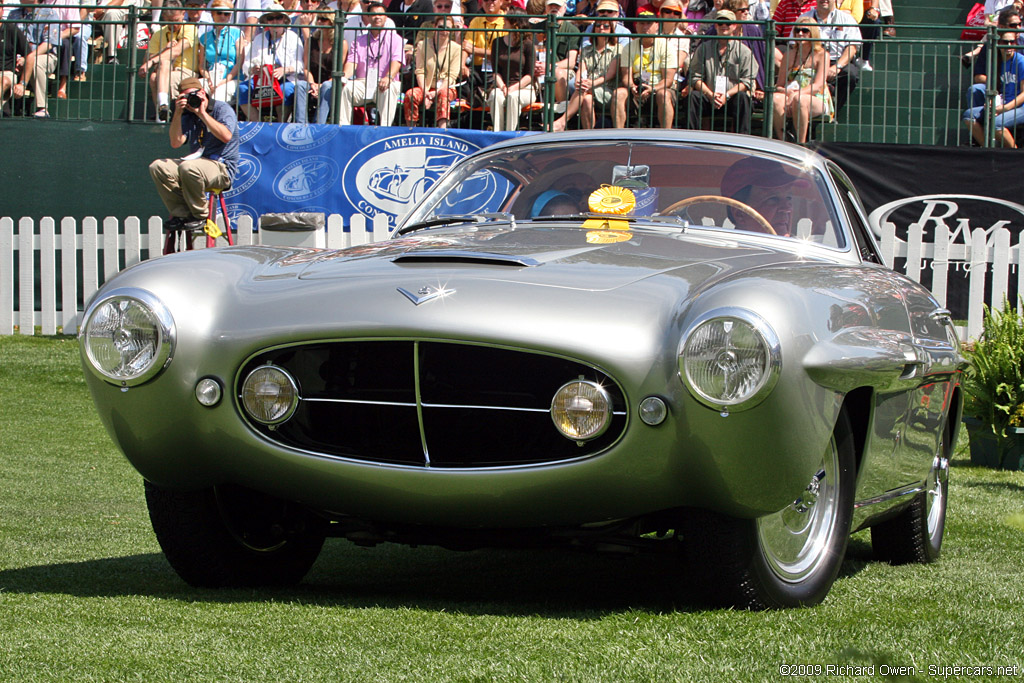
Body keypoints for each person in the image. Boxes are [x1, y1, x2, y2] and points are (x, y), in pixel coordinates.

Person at [149, 77, 239, 232]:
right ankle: (182, 214)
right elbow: (176, 143)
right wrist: (177, 113)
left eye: (192, 95)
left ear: (203, 93)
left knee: (188, 168)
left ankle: (201, 216)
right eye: (185, 97)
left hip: (221, 167)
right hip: (195, 163)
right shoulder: (187, 114)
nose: (191, 100)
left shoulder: (221, 109)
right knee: (158, 166)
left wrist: (202, 113)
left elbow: (226, 136)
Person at [686, 9, 757, 134]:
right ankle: (691, 138)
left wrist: (727, 95)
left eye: (728, 24)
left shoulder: (744, 51)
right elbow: (695, 77)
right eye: (720, 24)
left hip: (732, 98)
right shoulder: (704, 48)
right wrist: (710, 94)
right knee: (694, 97)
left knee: (743, 98)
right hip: (709, 96)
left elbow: (748, 81)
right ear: (715, 26)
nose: (724, 26)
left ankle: (743, 139)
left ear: (734, 26)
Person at [964, 8, 1024, 147]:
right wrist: (993, 96)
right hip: (998, 92)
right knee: (974, 93)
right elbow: (979, 76)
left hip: (1017, 100)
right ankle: (986, 147)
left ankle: (1015, 154)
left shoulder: (1020, 58)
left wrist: (1003, 107)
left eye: (1019, 24)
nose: (1018, 28)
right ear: (1001, 27)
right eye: (1013, 25)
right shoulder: (992, 46)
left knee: (997, 123)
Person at [338, 1, 404, 126]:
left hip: (385, 82)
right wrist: (345, 77)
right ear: (368, 17)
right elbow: (352, 62)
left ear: (386, 17)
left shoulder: (395, 39)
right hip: (362, 81)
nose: (377, 17)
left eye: (380, 14)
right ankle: (343, 128)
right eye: (373, 15)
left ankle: (385, 130)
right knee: (344, 88)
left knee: (389, 90)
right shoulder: (358, 41)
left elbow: (397, 61)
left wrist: (388, 77)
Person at [238, 3, 305, 121]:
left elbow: (300, 64)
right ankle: (258, 124)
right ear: (267, 21)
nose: (275, 21)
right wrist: (252, 69)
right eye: (270, 18)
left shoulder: (293, 37)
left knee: (285, 91)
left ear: (284, 20)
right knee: (242, 89)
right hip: (261, 80)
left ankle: (280, 126)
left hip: (285, 79)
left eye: (278, 17)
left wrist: (285, 70)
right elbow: (246, 64)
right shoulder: (259, 39)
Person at [772, 16, 832, 142]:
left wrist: (795, 96)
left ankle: (801, 143)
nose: (800, 33)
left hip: (816, 97)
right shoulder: (788, 55)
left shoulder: (822, 55)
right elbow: (779, 85)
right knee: (776, 99)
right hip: (790, 95)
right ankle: (783, 140)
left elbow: (818, 86)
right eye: (797, 30)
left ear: (813, 32)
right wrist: (787, 93)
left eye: (805, 31)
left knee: (800, 100)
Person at [138, 0, 199, 122]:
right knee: (158, 70)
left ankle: (161, 113)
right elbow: (146, 58)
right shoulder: (159, 34)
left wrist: (151, 62)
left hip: (186, 72)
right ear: (164, 18)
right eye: (169, 21)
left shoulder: (190, 28)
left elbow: (176, 51)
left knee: (156, 76)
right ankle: (163, 108)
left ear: (183, 14)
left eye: (176, 21)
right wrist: (164, 50)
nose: (173, 25)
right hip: (165, 72)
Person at [617, 5, 677, 128]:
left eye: (648, 24)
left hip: (659, 88)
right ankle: (618, 135)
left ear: (656, 25)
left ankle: (665, 135)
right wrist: (632, 87)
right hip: (636, 89)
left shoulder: (666, 46)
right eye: (641, 23)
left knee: (664, 95)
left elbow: (668, 80)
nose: (645, 27)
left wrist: (652, 88)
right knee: (619, 93)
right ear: (636, 26)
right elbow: (626, 76)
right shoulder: (629, 47)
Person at [720, 156, 809, 236]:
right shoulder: (717, 253)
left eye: (788, 198)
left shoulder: (802, 252)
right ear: (740, 214)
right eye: (773, 199)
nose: (786, 209)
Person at [799, 0, 861, 113]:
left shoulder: (847, 19)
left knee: (850, 74)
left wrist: (837, 66)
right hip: (811, 61)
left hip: (835, 61)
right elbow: (795, 44)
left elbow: (852, 47)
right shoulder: (804, 18)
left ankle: (833, 112)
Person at [404, 15, 464, 127]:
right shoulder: (422, 45)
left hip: (446, 87)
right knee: (410, 95)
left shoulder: (456, 49)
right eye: (441, 27)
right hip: (425, 87)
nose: (444, 31)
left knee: (443, 94)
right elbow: (420, 71)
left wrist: (435, 93)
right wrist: (426, 92)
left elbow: (451, 76)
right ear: (434, 26)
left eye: (448, 28)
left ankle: (442, 131)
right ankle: (410, 129)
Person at [9, 0, 61, 117]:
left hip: (45, 56)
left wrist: (29, 57)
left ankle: (42, 107)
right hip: (18, 56)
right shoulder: (13, 14)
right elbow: (9, 39)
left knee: (36, 63)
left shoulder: (50, 13)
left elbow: (49, 43)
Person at [487, 8, 535, 132]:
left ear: (515, 22)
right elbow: (495, 72)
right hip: (503, 86)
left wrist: (513, 88)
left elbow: (530, 75)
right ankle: (498, 134)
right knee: (495, 95)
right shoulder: (497, 43)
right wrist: (503, 87)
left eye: (507, 18)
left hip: (525, 88)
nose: (503, 20)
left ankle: (510, 134)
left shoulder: (528, 44)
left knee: (513, 97)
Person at [294, 4, 340, 124]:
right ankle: (301, 124)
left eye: (324, 19)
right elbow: (306, 67)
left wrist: (322, 85)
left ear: (331, 22)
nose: (319, 21)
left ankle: (319, 124)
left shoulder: (340, 43)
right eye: (318, 18)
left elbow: (340, 71)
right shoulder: (311, 41)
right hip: (313, 80)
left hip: (331, 82)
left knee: (326, 86)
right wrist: (312, 83)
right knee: (300, 85)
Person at [576, 16, 620, 128]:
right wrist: (579, 82)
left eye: (606, 26)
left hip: (608, 89)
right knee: (586, 98)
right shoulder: (586, 50)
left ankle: (564, 119)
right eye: (598, 25)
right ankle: (589, 135)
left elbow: (610, 74)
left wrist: (591, 83)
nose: (601, 28)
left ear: (611, 29)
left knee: (585, 92)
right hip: (588, 89)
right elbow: (581, 70)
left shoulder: (617, 49)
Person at [197, 0, 244, 104]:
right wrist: (209, 79)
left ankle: (214, 120)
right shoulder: (204, 37)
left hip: (232, 79)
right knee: (193, 90)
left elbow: (239, 63)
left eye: (226, 14)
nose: (223, 16)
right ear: (213, 14)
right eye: (219, 13)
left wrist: (223, 82)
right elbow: (201, 66)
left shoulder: (237, 33)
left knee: (219, 94)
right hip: (211, 77)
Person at [462, 0, 506, 104]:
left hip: (498, 69)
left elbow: (501, 54)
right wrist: (462, 64)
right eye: (486, 0)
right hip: (477, 67)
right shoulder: (476, 21)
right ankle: (466, 114)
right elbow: (466, 46)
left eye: (493, 0)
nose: (489, 2)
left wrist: (474, 50)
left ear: (501, 2)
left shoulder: (506, 21)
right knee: (462, 78)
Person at [1, 19, 30, 116]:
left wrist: (22, 60)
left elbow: (28, 54)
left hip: (7, 72)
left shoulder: (12, 29)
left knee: (4, 81)